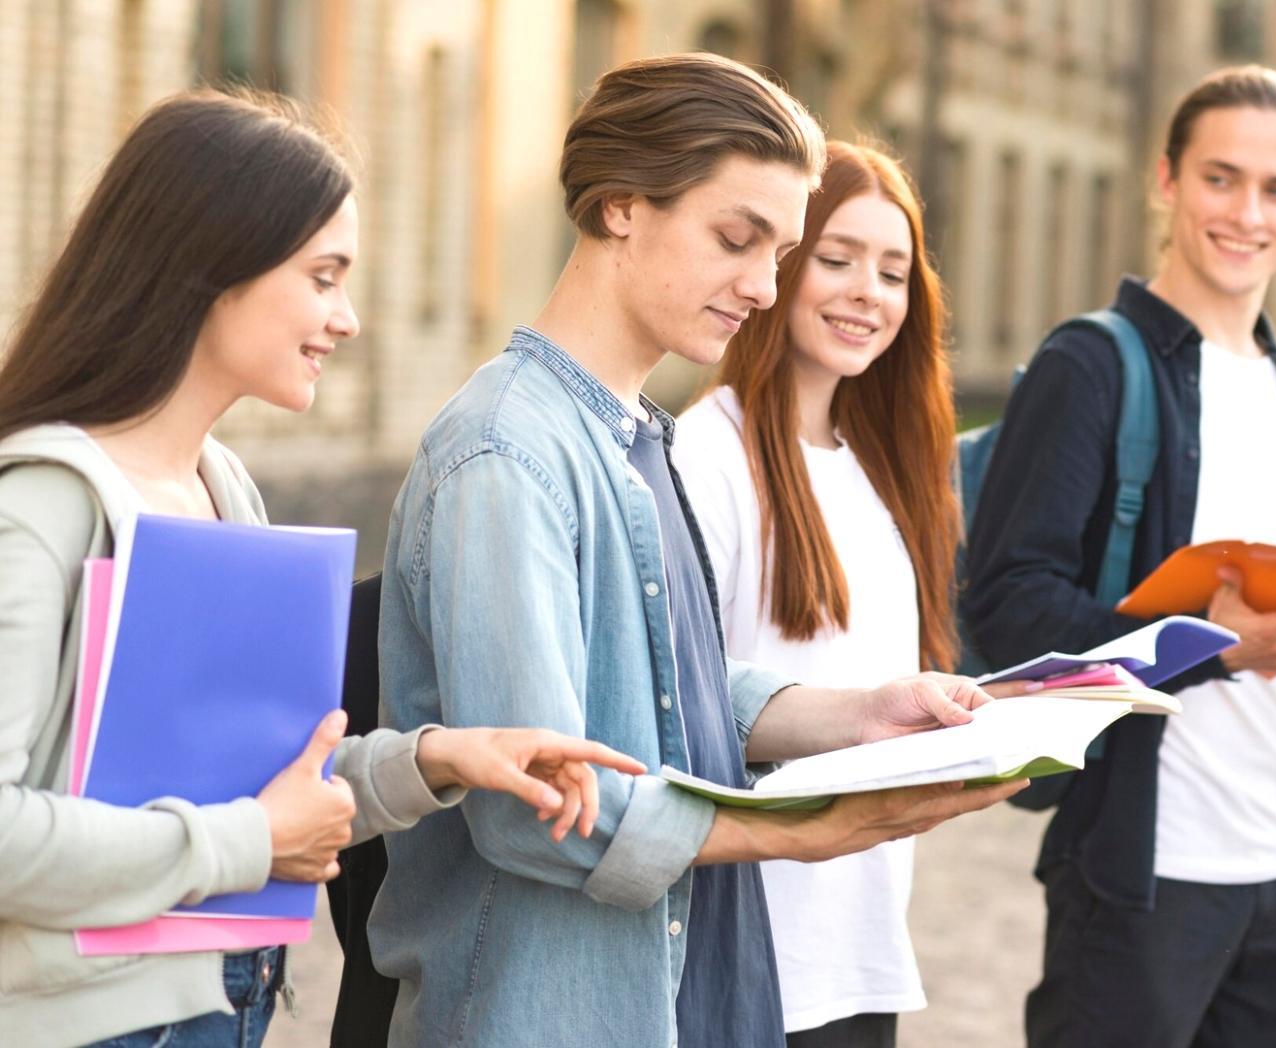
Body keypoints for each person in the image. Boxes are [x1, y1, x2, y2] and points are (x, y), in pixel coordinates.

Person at [373, 54, 1026, 1048]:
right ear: (620, 205)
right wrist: (800, 830)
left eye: (780, 251)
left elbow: (661, 691)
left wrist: (857, 715)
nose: (766, 288)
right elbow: (534, 799)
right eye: (737, 238)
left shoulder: (634, 434)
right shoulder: (508, 451)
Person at [0, 89, 644, 1048]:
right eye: (324, 276)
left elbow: (267, 776)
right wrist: (253, 842)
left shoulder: (226, 489)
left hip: (225, 1005)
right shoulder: (41, 503)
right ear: (213, 266)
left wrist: (439, 759)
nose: (346, 319)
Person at [960, 65, 1276, 1048]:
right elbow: (1010, 608)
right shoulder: (1088, 366)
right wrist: (1206, 645)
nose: (1246, 213)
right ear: (1166, 179)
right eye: (1219, 178)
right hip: (1137, 877)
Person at [671, 140, 957, 1048]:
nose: (867, 291)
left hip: (863, 942)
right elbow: (683, 699)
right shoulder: (704, 453)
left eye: (893, 271)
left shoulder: (883, 467)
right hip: (750, 952)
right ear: (778, 269)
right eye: (835, 260)